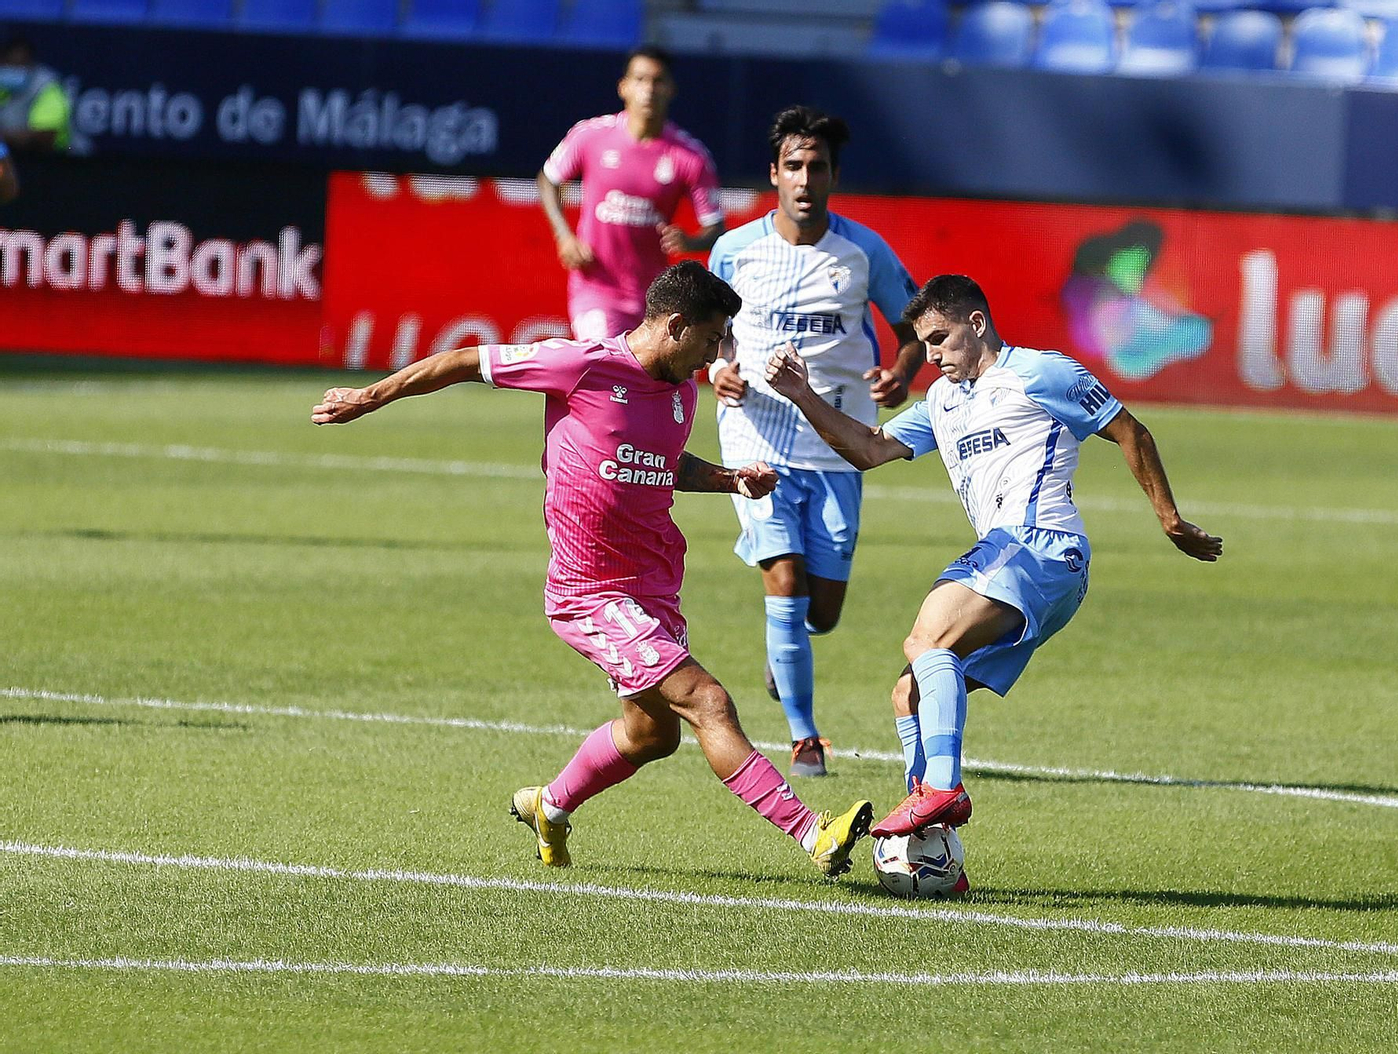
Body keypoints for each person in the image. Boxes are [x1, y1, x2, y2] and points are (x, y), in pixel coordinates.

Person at [311, 261, 872, 876]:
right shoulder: (583, 365)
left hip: (654, 584)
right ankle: (812, 832)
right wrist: (366, 398)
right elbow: (465, 361)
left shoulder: (682, 390)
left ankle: (549, 806)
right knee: (708, 701)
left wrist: (730, 479)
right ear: (678, 326)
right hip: (592, 592)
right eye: (712, 340)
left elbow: (664, 463)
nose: (716, 357)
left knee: (653, 736)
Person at [764, 273, 1222, 836]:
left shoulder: (1040, 372)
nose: (930, 356)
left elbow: (1130, 430)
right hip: (1020, 562)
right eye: (924, 344)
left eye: (939, 339)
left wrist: (1169, 518)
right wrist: (802, 395)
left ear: (976, 324)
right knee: (910, 692)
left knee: (927, 639)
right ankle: (930, 843)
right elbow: (867, 448)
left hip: (1041, 545)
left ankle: (942, 790)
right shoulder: (942, 399)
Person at [708, 105, 925, 779]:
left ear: (833, 176)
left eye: (818, 167)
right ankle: (804, 736)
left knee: (822, 613)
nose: (805, 178)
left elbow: (915, 327)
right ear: (774, 174)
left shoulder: (864, 253)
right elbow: (708, 328)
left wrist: (900, 373)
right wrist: (719, 367)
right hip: (757, 435)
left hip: (837, 442)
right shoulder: (735, 251)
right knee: (785, 576)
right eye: (794, 166)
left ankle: (785, 654)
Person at [537, 46, 724, 342]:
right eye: (640, 79)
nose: (648, 90)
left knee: (649, 383)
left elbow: (716, 227)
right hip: (596, 288)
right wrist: (564, 237)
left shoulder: (690, 156)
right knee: (602, 361)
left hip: (655, 298)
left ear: (671, 89)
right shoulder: (591, 135)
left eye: (658, 81)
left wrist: (691, 241)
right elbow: (548, 180)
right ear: (623, 87)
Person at [0, 34, 75, 155]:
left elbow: (45, 137)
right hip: (9, 158)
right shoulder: (2, 82)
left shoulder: (47, 87)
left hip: (53, 160)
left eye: (21, 64)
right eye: (11, 64)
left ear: (31, 64)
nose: (15, 70)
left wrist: (5, 136)